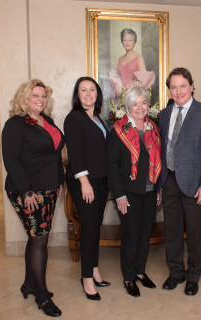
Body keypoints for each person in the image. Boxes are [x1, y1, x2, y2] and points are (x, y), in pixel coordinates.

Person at [2, 79, 64, 317]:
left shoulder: (47, 121)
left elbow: (55, 154)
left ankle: (29, 283)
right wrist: (26, 191)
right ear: (25, 98)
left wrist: (59, 181)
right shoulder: (16, 124)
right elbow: (12, 160)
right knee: (40, 239)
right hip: (27, 191)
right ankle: (42, 294)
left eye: (43, 96)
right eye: (35, 96)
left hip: (49, 188)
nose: (40, 100)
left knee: (37, 237)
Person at [157, 67, 201, 296]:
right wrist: (159, 183)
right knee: (172, 231)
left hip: (196, 184)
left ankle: (193, 275)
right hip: (169, 181)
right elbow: (160, 150)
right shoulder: (164, 114)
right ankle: (176, 272)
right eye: (173, 87)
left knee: (195, 234)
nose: (178, 91)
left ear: (191, 86)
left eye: (182, 86)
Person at [106, 86, 162, 298]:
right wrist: (118, 194)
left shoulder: (153, 128)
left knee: (145, 233)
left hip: (149, 190)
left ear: (148, 105)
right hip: (128, 192)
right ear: (127, 105)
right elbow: (111, 165)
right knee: (131, 234)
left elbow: (159, 160)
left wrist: (158, 188)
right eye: (135, 103)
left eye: (143, 103)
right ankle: (128, 277)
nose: (140, 107)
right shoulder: (118, 130)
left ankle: (140, 271)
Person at [64, 77, 110, 301]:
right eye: (83, 90)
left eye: (92, 89)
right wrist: (84, 183)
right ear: (77, 94)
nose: (88, 93)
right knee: (90, 227)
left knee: (95, 226)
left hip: (101, 180)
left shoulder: (98, 118)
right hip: (85, 181)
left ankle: (94, 270)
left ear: (97, 94)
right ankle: (86, 279)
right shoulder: (74, 118)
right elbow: (75, 153)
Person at [109, 28, 156, 105]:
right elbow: (119, 78)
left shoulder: (139, 58)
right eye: (125, 40)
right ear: (122, 42)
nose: (127, 42)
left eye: (130, 40)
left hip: (134, 96)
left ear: (134, 42)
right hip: (121, 96)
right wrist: (117, 86)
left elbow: (143, 81)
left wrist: (125, 87)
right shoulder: (120, 59)